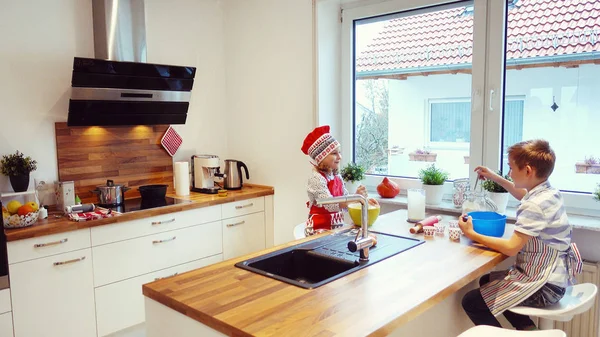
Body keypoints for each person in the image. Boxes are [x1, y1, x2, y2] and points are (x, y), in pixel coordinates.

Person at [459, 139, 582, 330]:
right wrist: (494, 177)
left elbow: (511, 248)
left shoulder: (534, 205)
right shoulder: (548, 192)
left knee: (471, 302)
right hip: (558, 279)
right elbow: (521, 193)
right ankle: (527, 330)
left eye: (510, 167)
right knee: (487, 281)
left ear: (527, 171)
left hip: (545, 287)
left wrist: (472, 234)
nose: (509, 173)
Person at [301, 125, 378, 236]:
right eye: (334, 153)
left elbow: (346, 200)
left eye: (339, 152)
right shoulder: (316, 178)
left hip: (336, 229)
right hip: (319, 231)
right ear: (321, 157)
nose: (340, 157)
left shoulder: (337, 177)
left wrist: (363, 200)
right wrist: (356, 197)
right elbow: (332, 205)